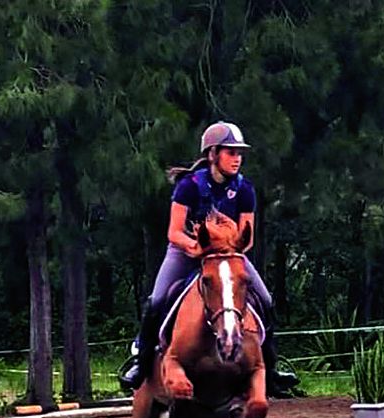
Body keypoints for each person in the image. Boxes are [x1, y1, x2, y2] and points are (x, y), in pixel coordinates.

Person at [121, 122, 289, 396]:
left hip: (227, 254)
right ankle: (140, 362)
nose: (237, 159)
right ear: (213, 154)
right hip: (187, 252)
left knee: (266, 300)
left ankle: (272, 368)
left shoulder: (245, 189)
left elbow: (248, 237)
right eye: (230, 152)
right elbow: (174, 232)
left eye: (239, 153)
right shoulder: (190, 186)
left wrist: (226, 253)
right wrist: (196, 249)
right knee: (157, 299)